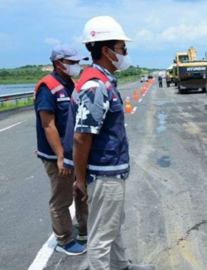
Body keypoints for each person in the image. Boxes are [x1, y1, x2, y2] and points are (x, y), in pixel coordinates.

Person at [63, 16, 155, 270]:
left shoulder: (102, 80)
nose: (126, 53)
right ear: (105, 50)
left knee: (112, 223)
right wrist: (80, 180)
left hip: (109, 170)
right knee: (101, 234)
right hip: (103, 172)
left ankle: (121, 266)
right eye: (122, 48)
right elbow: (82, 137)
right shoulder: (95, 86)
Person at [33, 44, 89, 255]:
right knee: (62, 198)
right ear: (58, 63)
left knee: (82, 192)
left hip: (75, 152)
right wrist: (60, 157)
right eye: (72, 62)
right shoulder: (48, 87)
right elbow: (48, 125)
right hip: (59, 156)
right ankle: (64, 240)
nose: (77, 65)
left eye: (77, 62)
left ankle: (84, 230)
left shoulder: (70, 84)